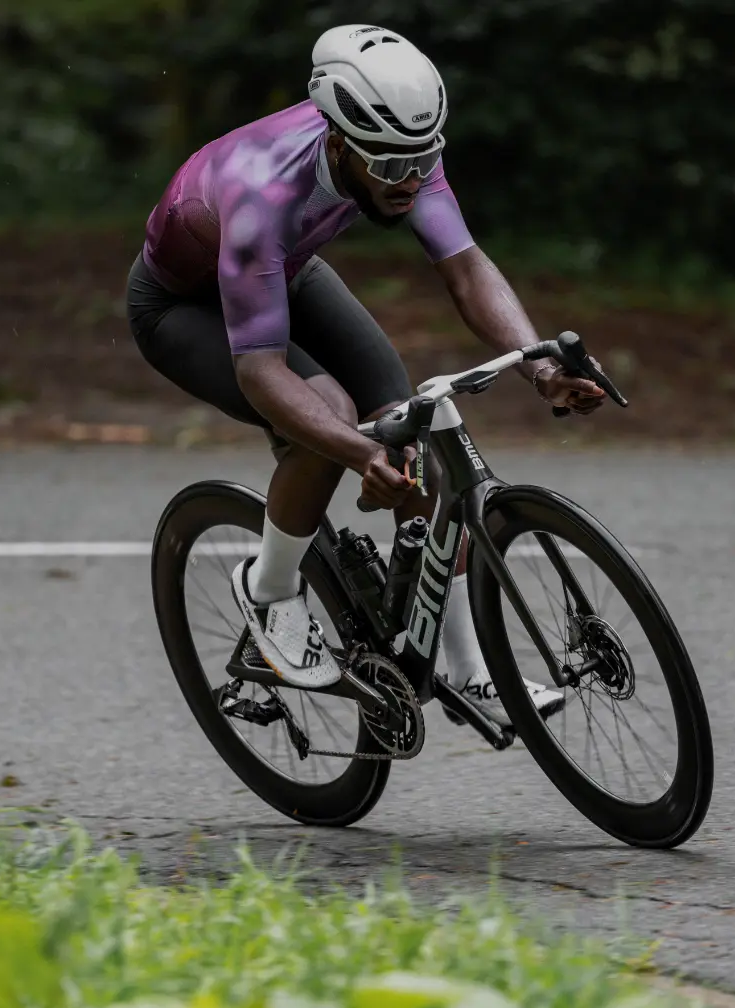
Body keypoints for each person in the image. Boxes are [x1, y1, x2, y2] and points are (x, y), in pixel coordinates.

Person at [125, 24, 604, 727]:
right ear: (340, 142)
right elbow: (260, 373)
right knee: (326, 413)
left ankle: (469, 674)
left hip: (283, 271)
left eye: (423, 161)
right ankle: (270, 586)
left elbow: (467, 269)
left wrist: (537, 362)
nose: (409, 181)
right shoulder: (262, 195)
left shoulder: (397, 147)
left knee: (415, 433)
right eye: (390, 168)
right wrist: (354, 450)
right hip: (180, 305)